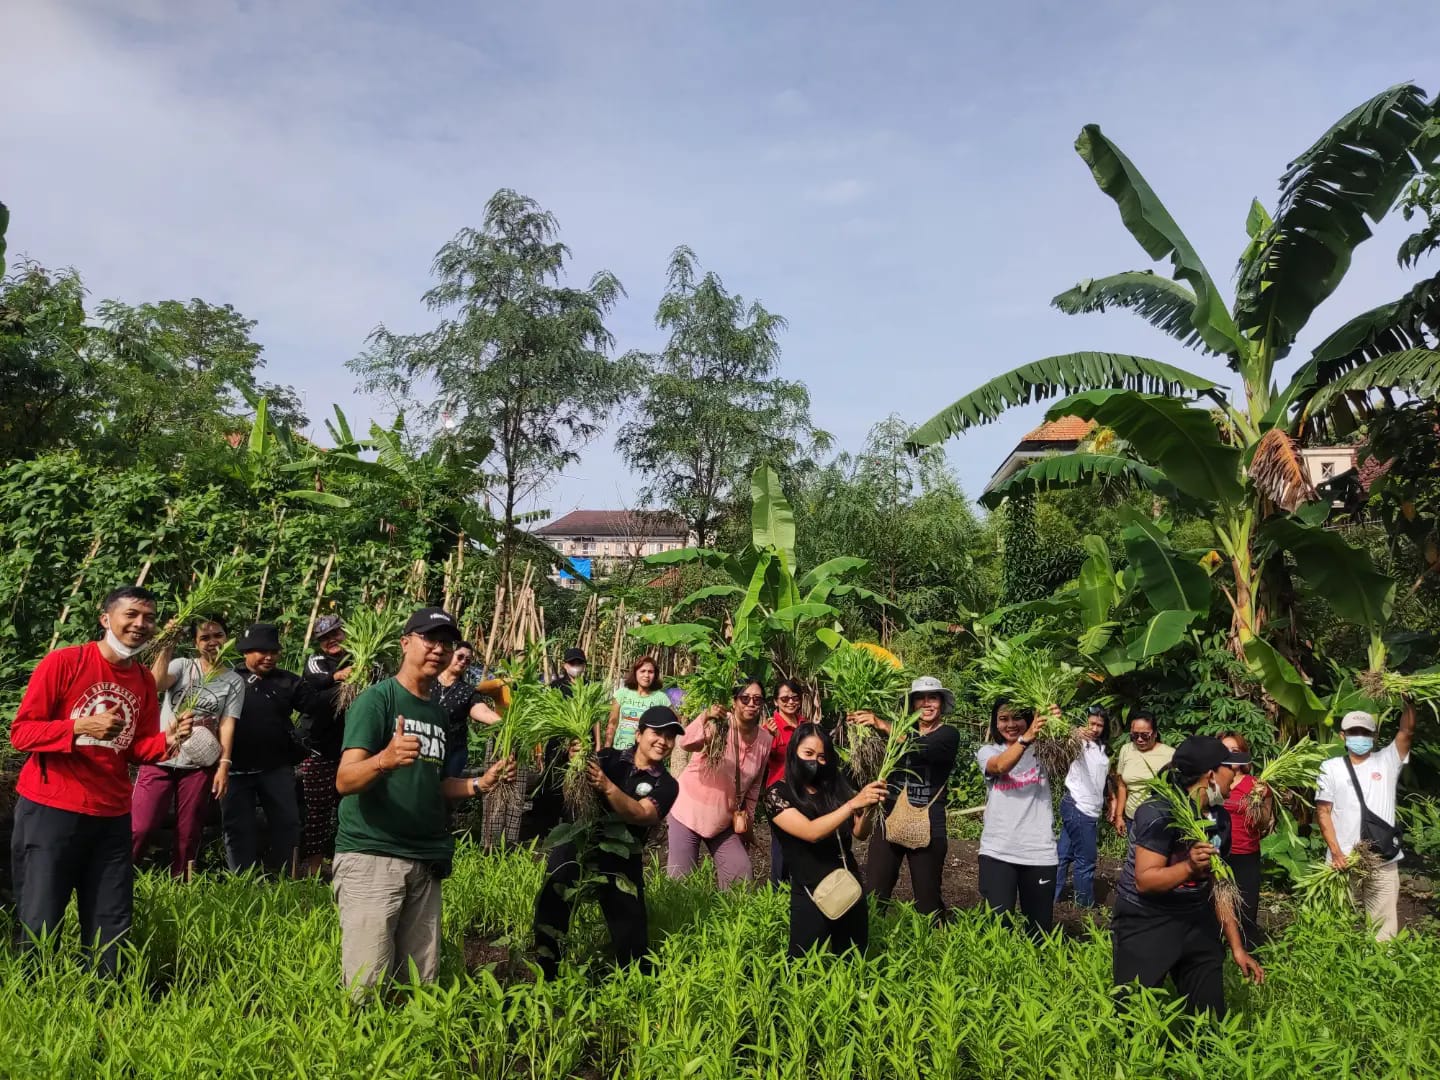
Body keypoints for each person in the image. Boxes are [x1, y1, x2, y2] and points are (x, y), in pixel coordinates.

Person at [9, 586, 192, 974]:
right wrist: (78, 726)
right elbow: (22, 732)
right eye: (131, 615)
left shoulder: (143, 679)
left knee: (111, 917)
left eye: (148, 617)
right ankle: (35, 995)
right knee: (41, 913)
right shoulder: (65, 662)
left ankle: (105, 999)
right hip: (51, 807)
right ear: (106, 619)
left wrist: (168, 741)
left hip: (111, 812)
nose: (140, 624)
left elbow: (137, 747)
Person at [332, 607, 512, 995]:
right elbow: (345, 780)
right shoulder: (377, 701)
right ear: (406, 643)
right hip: (373, 855)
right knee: (367, 985)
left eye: (446, 643)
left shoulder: (436, 713)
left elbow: (436, 784)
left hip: (425, 857)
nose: (439, 649)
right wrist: (384, 759)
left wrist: (480, 783)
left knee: (419, 984)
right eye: (429, 639)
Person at [1111, 735, 1265, 1016]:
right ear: (1211, 775)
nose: (1237, 774)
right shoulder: (1158, 812)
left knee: (1209, 1018)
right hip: (1147, 921)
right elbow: (1145, 881)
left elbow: (1220, 885)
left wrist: (1237, 947)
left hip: (1197, 919)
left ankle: (1207, 1059)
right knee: (1132, 1016)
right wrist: (1188, 868)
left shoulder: (1220, 818)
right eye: (1230, 768)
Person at [532, 705, 683, 980]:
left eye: (670, 736)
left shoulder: (667, 784)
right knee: (552, 902)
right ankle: (548, 975)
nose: (663, 741)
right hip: (579, 842)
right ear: (638, 735)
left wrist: (608, 787)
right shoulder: (607, 758)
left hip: (622, 855)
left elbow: (642, 814)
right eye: (657, 733)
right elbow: (572, 780)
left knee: (632, 937)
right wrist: (576, 758)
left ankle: (634, 985)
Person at [131, 616, 246, 877]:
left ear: (227, 638)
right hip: (160, 757)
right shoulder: (183, 666)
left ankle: (182, 884)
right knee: (141, 827)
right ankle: (118, 877)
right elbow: (156, 683)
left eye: (218, 635)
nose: (212, 642)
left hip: (198, 764)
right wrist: (167, 644)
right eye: (205, 638)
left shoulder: (233, 681)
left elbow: (227, 724)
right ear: (195, 643)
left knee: (189, 830)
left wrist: (223, 765)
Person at [764, 724, 889, 957]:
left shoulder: (835, 787)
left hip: (847, 886)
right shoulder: (777, 794)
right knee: (802, 965)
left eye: (822, 757)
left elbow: (859, 833)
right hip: (810, 892)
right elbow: (811, 832)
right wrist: (852, 804)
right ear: (794, 753)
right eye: (808, 754)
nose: (815, 762)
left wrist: (870, 807)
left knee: (854, 959)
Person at [857, 676, 961, 920]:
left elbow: (922, 748)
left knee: (927, 899)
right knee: (875, 893)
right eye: (920, 699)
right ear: (912, 705)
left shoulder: (949, 734)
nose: (926, 703)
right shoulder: (901, 730)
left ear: (941, 703)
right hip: (889, 817)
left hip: (927, 822)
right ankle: (872, 942)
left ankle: (931, 945)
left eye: (932, 698)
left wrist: (881, 724)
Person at [1315, 703, 1417, 942]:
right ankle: (1338, 968)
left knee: (1384, 927)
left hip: (1381, 857)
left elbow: (1407, 732)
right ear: (1343, 736)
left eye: (1365, 732)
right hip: (1343, 860)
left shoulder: (1387, 761)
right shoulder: (1330, 768)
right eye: (1353, 732)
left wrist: (1408, 701)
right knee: (1337, 922)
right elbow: (1323, 811)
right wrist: (1336, 852)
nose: (1359, 737)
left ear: (1374, 736)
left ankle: (1381, 970)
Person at [667, 680, 773, 888]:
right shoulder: (719, 725)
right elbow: (685, 743)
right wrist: (705, 716)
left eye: (757, 700)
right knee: (679, 884)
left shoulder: (765, 740)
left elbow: (753, 789)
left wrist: (746, 827)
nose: (751, 703)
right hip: (687, 813)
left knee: (741, 877)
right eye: (745, 698)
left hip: (723, 821)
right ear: (734, 702)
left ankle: (733, 920)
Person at [223, 623, 305, 875]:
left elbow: (316, 706)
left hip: (277, 767)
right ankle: (242, 880)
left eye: (273, 651)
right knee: (238, 827)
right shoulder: (229, 679)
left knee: (287, 822)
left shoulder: (288, 681)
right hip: (235, 769)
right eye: (261, 651)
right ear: (246, 652)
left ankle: (286, 876)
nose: (269, 657)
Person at [976, 699, 1059, 938]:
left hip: (1040, 852)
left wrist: (1054, 722)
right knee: (997, 928)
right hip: (997, 851)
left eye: (1016, 718)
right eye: (1003, 719)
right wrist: (1026, 738)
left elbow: (1069, 757)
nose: (1010, 724)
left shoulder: (1044, 751)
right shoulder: (989, 751)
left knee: (1039, 931)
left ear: (1028, 719)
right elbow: (999, 766)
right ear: (995, 723)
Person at [295, 613, 352, 876]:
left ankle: (345, 861)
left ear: (346, 632)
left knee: (350, 809)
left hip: (349, 749)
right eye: (324, 638)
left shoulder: (361, 658)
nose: (331, 640)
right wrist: (341, 676)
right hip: (317, 748)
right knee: (318, 809)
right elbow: (316, 680)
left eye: (335, 634)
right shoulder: (317, 661)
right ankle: (313, 864)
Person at [520, 647, 587, 843]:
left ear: (584, 666)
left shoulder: (589, 687)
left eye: (579, 663)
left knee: (576, 784)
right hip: (556, 745)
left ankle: (572, 829)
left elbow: (596, 721)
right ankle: (544, 830)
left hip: (580, 745)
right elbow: (545, 717)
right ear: (565, 665)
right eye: (572, 663)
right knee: (551, 784)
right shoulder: (555, 687)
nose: (576, 667)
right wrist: (539, 750)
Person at [1054, 704, 1109, 909]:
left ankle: (1052, 897)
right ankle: (1085, 908)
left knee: (1063, 856)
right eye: (1092, 723)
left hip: (1087, 808)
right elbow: (1060, 740)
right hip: (1079, 806)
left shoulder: (1102, 748)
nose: (1095, 728)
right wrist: (1074, 732)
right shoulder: (1078, 742)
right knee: (1086, 860)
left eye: (1100, 725)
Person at [1219, 733, 1268, 950]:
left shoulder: (1256, 785)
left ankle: (1249, 956)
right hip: (1217, 853)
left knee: (1246, 910)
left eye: (1235, 751)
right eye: (1224, 750)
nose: (1229, 755)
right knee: (1217, 905)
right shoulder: (1211, 779)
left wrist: (1257, 801)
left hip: (1245, 853)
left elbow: (1264, 823)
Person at [762, 678, 805, 883]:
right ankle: (777, 892)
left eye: (795, 698)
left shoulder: (805, 725)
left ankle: (798, 887)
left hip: (804, 792)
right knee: (781, 845)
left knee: (802, 842)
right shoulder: (770, 727)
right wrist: (768, 737)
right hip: (779, 793)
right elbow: (760, 759)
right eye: (785, 698)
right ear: (776, 701)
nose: (790, 702)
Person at [1110, 710, 1173, 836]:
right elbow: (1122, 785)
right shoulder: (1126, 750)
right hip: (1132, 818)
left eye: (1145, 735)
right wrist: (1119, 816)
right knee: (1133, 855)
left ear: (1155, 733)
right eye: (1134, 735)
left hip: (1158, 819)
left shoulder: (1170, 755)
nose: (1139, 739)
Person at [604, 655, 668, 750]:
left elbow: (675, 721)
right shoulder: (622, 694)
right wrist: (607, 748)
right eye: (642, 671)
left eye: (650, 672)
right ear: (635, 673)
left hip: (647, 754)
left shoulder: (661, 698)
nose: (646, 675)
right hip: (621, 750)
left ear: (655, 675)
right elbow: (612, 723)